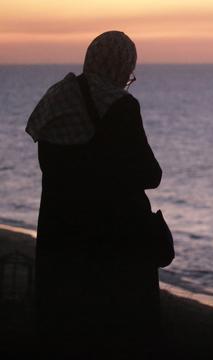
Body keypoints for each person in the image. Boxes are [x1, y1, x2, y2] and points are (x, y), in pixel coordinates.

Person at [26, 31, 163, 359]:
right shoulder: (119, 104)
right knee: (116, 330)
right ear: (123, 65)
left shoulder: (57, 96)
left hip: (59, 232)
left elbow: (50, 164)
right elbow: (149, 174)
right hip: (111, 238)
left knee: (66, 329)